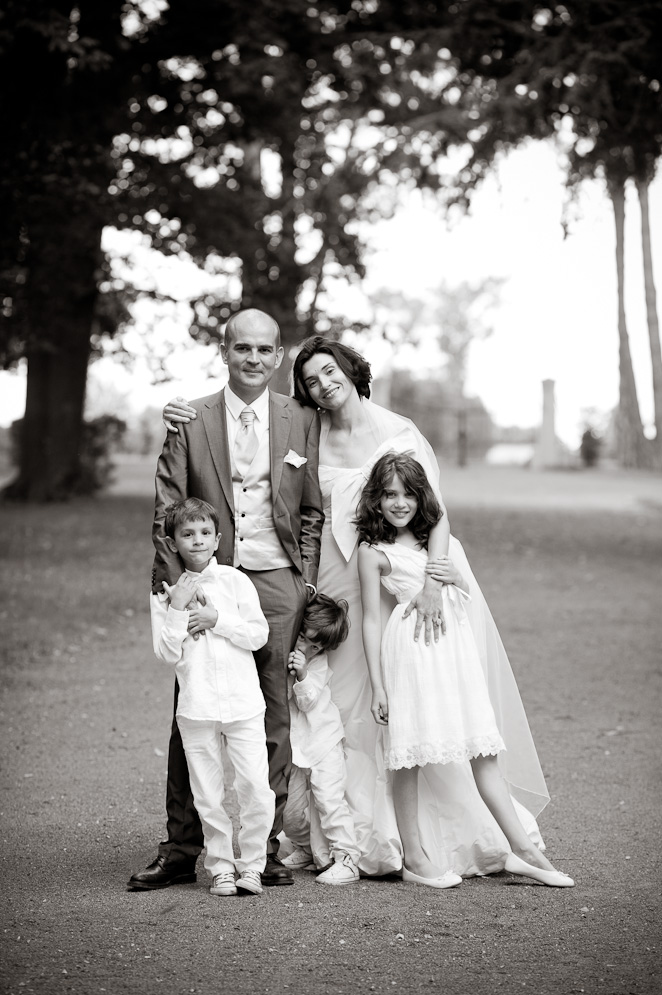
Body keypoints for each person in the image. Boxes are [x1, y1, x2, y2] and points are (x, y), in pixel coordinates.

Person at [160, 335, 552, 880]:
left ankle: (421, 833)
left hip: (398, 581)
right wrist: (180, 410)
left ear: (351, 369)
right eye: (312, 380)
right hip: (333, 584)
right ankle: (344, 833)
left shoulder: (398, 431)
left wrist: (435, 581)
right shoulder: (307, 429)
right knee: (335, 701)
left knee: (406, 694)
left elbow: (434, 513)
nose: (324, 385)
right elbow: (245, 432)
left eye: (330, 372)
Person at [128, 309, 324, 892]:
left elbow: (311, 509)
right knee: (193, 706)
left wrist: (304, 579)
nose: (255, 360)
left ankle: (257, 847)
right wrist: (174, 589)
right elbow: (168, 508)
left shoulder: (300, 418)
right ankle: (183, 845)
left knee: (271, 710)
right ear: (225, 351)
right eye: (243, 348)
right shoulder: (191, 418)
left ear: (280, 354)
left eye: (266, 350)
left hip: (277, 578)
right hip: (207, 573)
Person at [356, 453, 574, 888]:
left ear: (422, 497)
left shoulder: (438, 538)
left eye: (408, 494)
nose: (399, 503)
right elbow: (371, 620)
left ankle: (524, 852)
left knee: (483, 751)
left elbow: (456, 567)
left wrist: (451, 578)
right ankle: (415, 858)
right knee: (409, 756)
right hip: (412, 652)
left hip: (454, 652)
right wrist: (378, 687)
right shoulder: (373, 552)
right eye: (389, 495)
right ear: (376, 501)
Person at [151, 497, 274, 896]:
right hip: (198, 706)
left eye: (205, 533)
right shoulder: (165, 592)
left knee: (255, 786)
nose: (197, 541)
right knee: (207, 793)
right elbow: (166, 653)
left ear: (218, 538)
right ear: (173, 542)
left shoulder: (237, 583)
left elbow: (258, 634)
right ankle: (221, 866)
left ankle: (252, 864)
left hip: (242, 703)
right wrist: (178, 610)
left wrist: (215, 619)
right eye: (187, 534)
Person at [280, 593, 361, 886]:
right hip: (297, 746)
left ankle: (347, 859)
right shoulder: (284, 650)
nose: (307, 647)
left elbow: (308, 701)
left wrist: (301, 674)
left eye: (315, 645)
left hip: (324, 741)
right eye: (303, 637)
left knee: (329, 801)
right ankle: (305, 848)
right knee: (289, 812)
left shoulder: (316, 664)